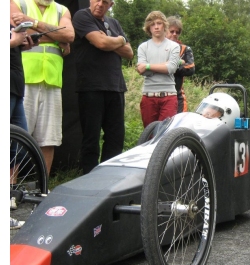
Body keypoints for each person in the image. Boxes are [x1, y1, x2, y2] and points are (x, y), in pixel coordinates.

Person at [10, 0, 75, 176]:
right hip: (24, 79)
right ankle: (10, 188)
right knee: (16, 137)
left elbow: (69, 35)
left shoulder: (62, 10)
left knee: (49, 138)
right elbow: (19, 34)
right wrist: (55, 36)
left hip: (52, 80)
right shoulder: (18, 3)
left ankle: (43, 190)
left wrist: (34, 23)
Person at [72, 0, 134, 175]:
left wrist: (112, 40)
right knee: (91, 138)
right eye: (97, 0)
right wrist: (120, 40)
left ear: (111, 5)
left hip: (115, 86)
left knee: (116, 137)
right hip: (91, 86)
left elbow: (129, 53)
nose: (100, 4)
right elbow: (101, 43)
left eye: (105, 2)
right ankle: (88, 179)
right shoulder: (82, 16)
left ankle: (107, 178)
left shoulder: (114, 23)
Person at [10, 22, 35, 230]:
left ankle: (10, 193)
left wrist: (21, 44)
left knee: (21, 148)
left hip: (17, 87)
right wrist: (12, 42)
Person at [137, 11, 180, 128]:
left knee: (164, 134)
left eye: (159, 23)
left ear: (164, 25)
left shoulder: (174, 46)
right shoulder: (143, 47)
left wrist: (147, 66)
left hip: (168, 95)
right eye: (152, 24)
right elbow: (141, 70)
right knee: (149, 135)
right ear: (148, 27)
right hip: (148, 95)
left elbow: (171, 68)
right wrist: (163, 65)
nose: (156, 27)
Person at [166, 16, 195, 113]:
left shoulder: (185, 49)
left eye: (177, 32)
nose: (174, 34)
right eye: (172, 31)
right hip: (159, 94)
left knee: (179, 125)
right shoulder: (157, 47)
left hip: (178, 95)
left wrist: (170, 66)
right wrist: (179, 62)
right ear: (165, 31)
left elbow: (191, 68)